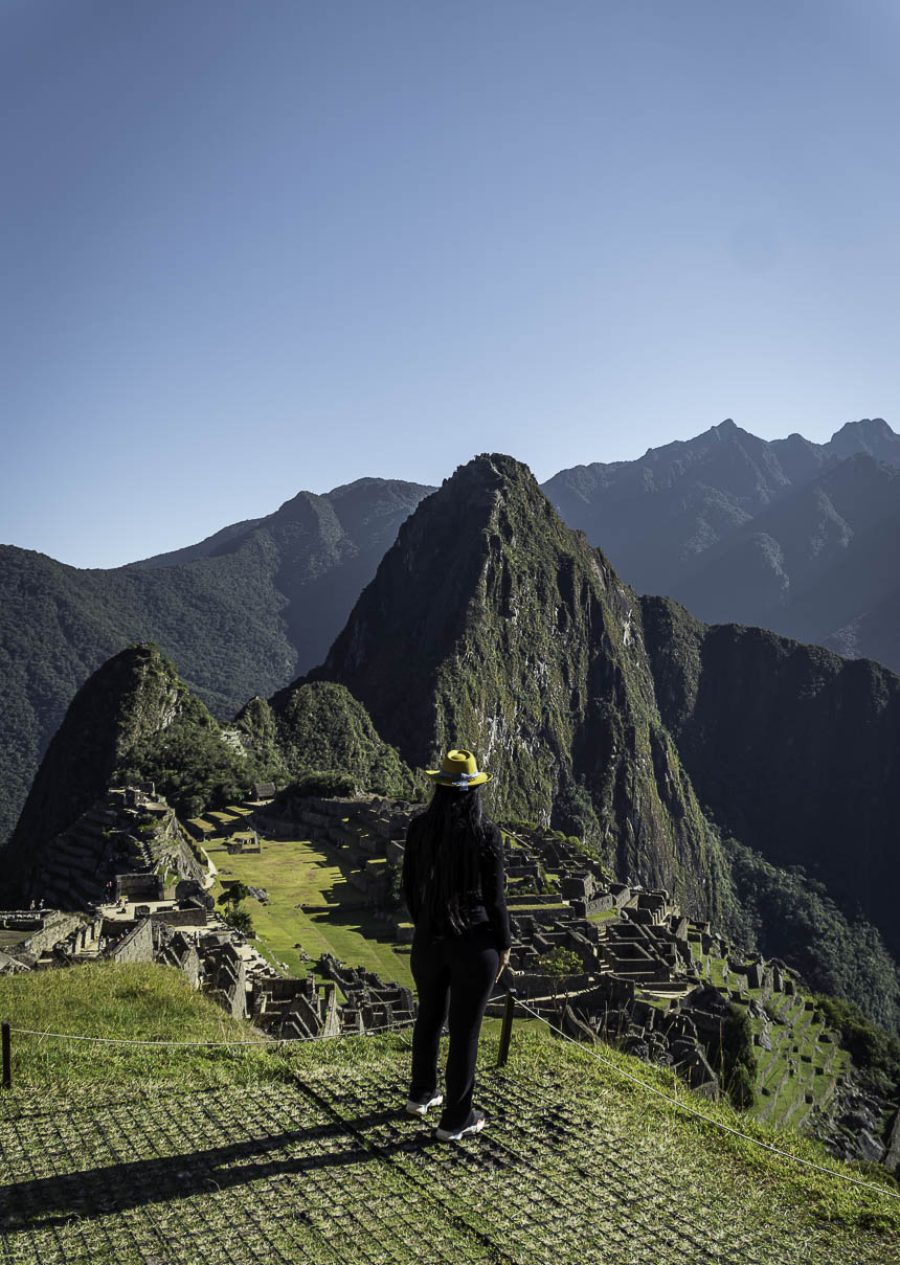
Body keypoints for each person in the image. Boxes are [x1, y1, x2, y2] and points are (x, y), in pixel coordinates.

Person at [401, 748, 512, 1141]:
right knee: (465, 1030)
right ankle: (456, 1118)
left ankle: (421, 1094)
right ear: (473, 791)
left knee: (430, 1014)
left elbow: (410, 890)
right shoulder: (485, 834)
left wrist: (427, 924)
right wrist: (504, 946)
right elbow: (496, 900)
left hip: (429, 940)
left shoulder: (419, 829)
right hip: (474, 943)